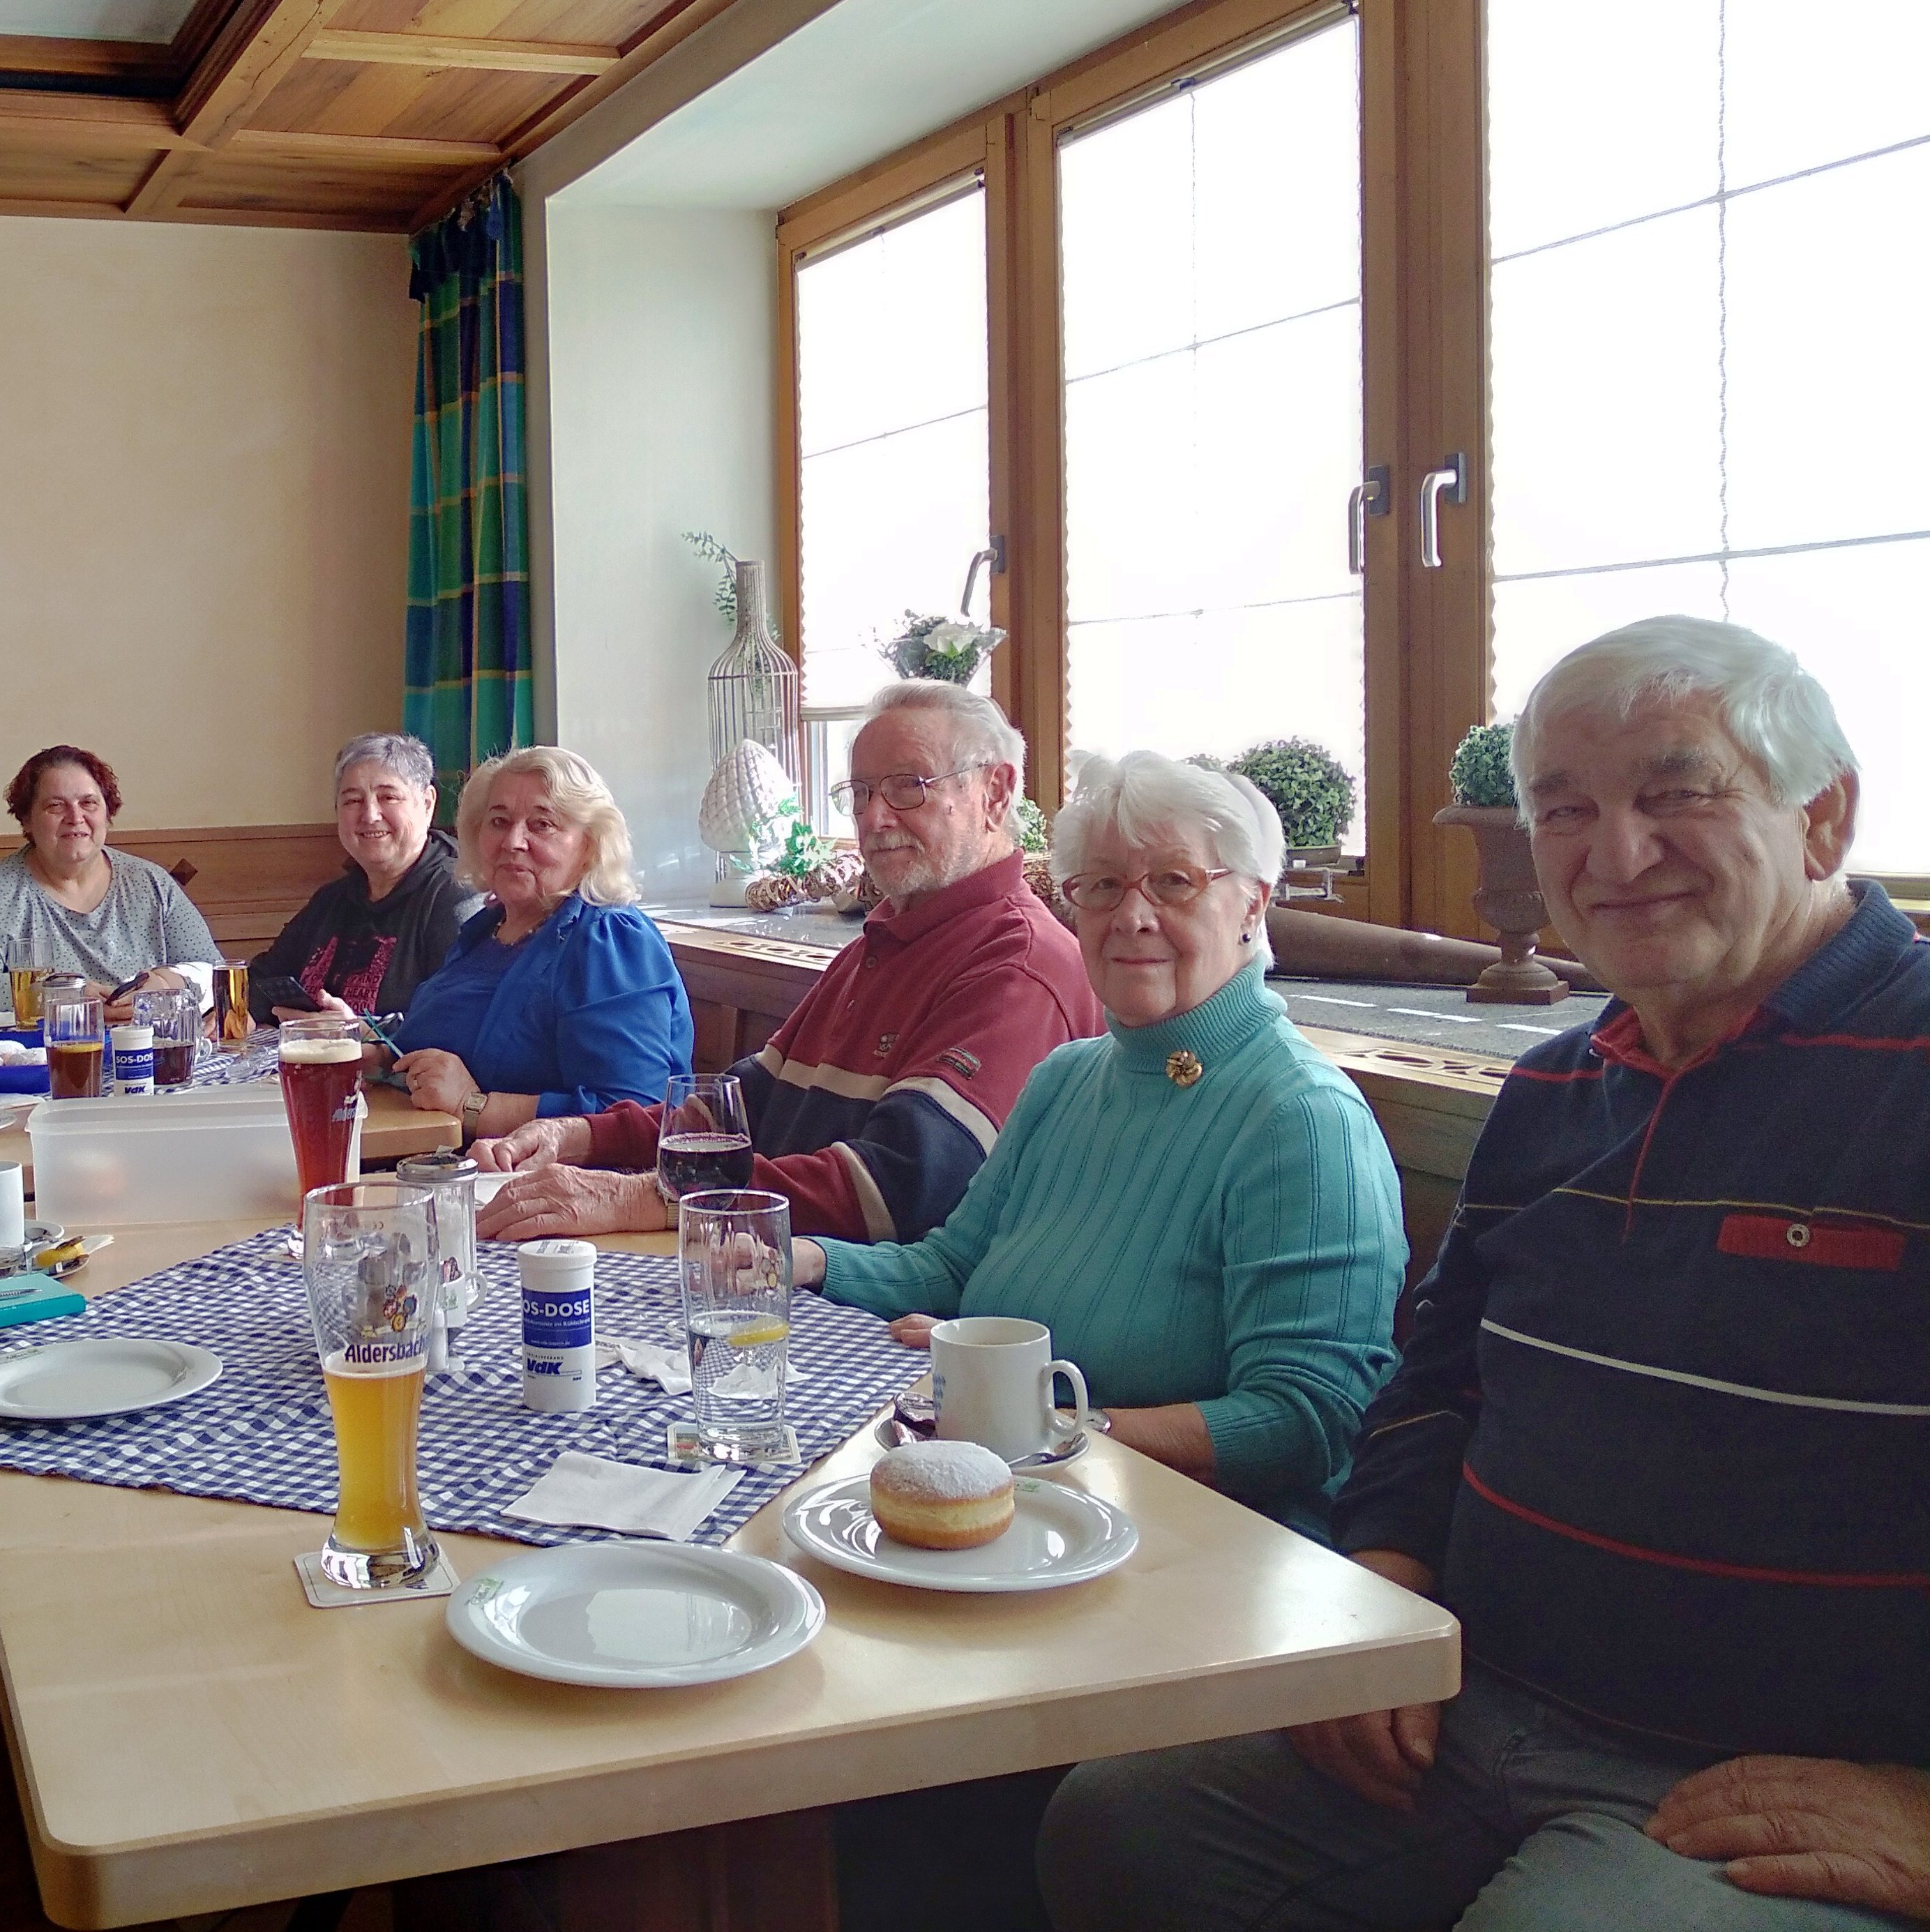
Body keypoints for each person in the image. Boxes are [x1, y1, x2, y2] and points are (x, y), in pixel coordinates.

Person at [1037, 618, 1930, 1931]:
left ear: (1826, 815)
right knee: (1119, 1829)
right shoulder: (1560, 1085)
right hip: (1472, 1693)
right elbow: (1433, 1382)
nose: (1616, 855)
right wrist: (1386, 1580)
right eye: (1565, 809)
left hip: (1751, 1777)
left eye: (1678, 794)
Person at [794, 749, 1403, 1539]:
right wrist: (800, 1258)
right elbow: (952, 1267)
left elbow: (1308, 1416)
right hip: (1021, 1507)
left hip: (1202, 1543)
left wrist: (1059, 1431)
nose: (1132, 916)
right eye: (1105, 885)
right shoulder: (1068, 1077)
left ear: (1253, 902)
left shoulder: (1301, 1118)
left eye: (1175, 882)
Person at [472, 684, 1097, 1244]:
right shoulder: (878, 946)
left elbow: (895, 1188)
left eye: (909, 786)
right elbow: (736, 1109)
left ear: (996, 790)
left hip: (883, 1319)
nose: (874, 818)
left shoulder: (1017, 967)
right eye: (860, 792)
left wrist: (640, 1195)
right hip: (760, 1267)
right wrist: (578, 1137)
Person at [386, 746, 695, 1139]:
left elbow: (633, 1114)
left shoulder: (609, 939)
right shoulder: (486, 930)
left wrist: (475, 1106)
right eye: (498, 821)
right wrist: (381, 1054)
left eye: (542, 825)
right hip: (433, 1151)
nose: (513, 841)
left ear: (590, 845)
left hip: (557, 1183)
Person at [0, 745, 218, 1023]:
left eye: (89, 803)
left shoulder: (151, 884)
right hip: (40, 1071)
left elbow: (214, 973)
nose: (75, 817)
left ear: (108, 813)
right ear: (26, 819)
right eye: (56, 806)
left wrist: (167, 984)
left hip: (146, 1062)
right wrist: (61, 995)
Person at [249, 732, 479, 1022]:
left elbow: (459, 1020)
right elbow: (263, 979)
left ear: (427, 803)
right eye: (353, 801)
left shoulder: (456, 896)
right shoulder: (332, 900)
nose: (370, 815)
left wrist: (361, 1032)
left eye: (389, 797)